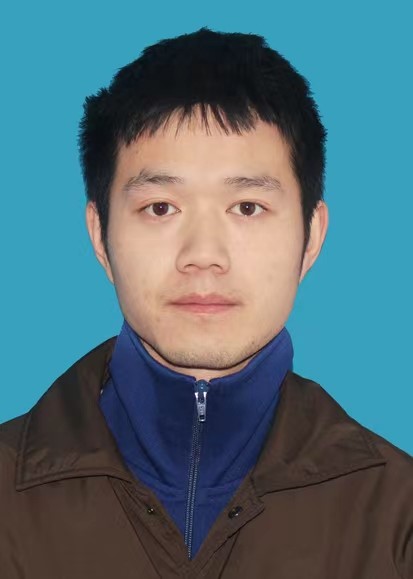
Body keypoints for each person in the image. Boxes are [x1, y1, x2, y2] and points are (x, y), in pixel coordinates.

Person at [0, 27, 412, 579]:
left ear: (311, 237)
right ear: (100, 236)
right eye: (161, 208)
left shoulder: (396, 519)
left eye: (247, 207)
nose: (203, 256)